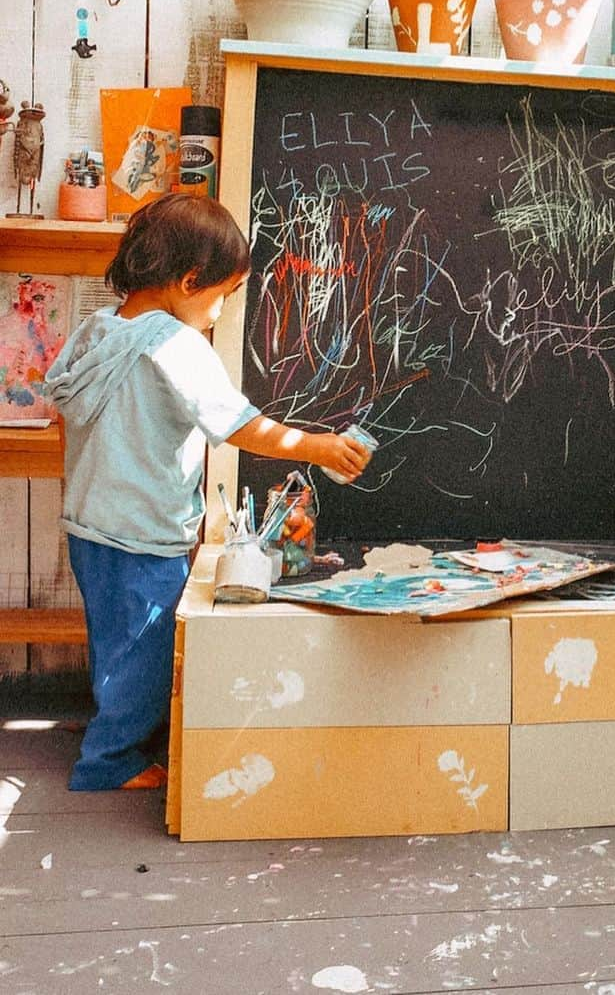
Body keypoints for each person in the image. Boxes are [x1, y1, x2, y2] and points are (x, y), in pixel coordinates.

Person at [44, 194, 372, 791]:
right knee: (146, 651)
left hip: (89, 522)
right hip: (144, 532)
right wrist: (317, 447)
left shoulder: (98, 329)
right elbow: (240, 425)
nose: (220, 312)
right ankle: (108, 765)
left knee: (116, 642)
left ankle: (113, 728)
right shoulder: (176, 343)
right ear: (189, 280)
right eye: (222, 295)